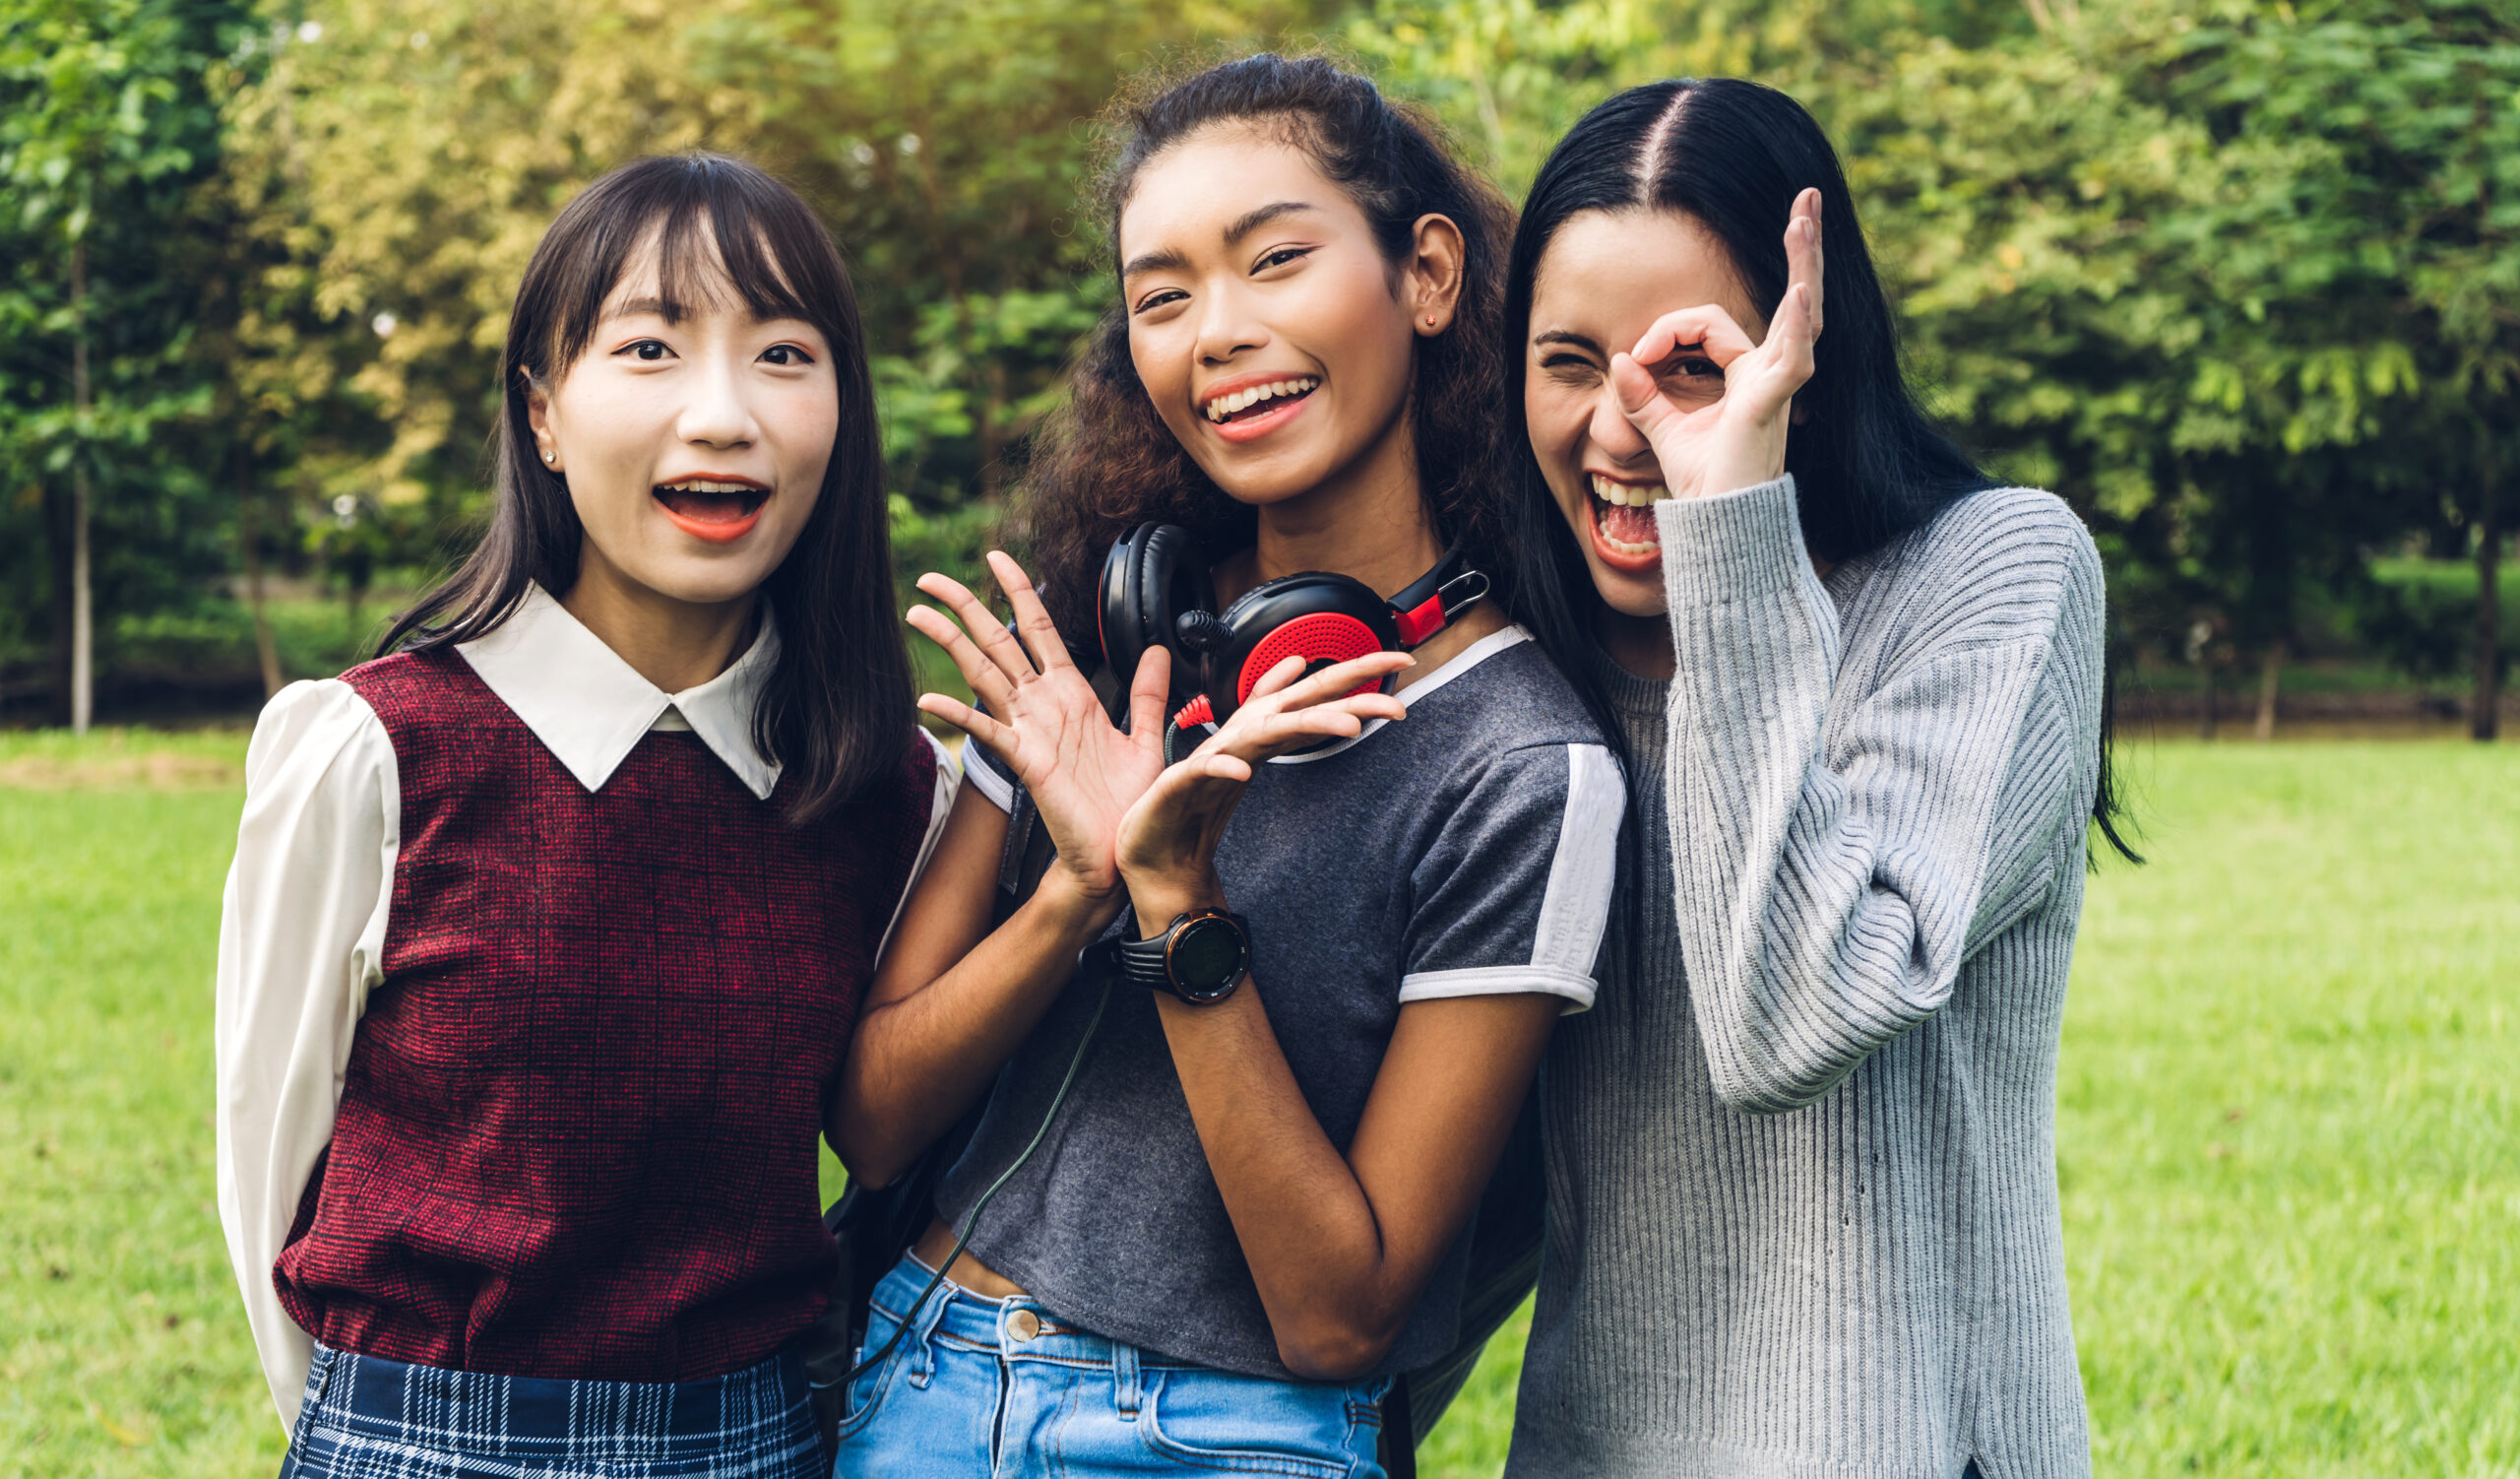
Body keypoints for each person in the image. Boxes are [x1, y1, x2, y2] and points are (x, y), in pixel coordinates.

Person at [824, 54, 1624, 1478]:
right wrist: (1078, 885)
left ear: (1426, 273)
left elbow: (1343, 1314)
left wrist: (1181, 910)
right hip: (913, 1380)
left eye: (1277, 259)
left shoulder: (1526, 765)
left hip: (1222, 1439)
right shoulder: (1090, 650)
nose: (1219, 333)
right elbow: (877, 1122)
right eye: (1162, 294)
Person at [213, 154, 955, 1479]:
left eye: (784, 353)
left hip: (769, 1441)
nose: (724, 415)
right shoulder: (376, 746)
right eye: (653, 347)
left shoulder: (886, 786)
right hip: (421, 1441)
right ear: (544, 413)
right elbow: (265, 1149)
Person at [1497, 79, 2136, 1479]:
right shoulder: (1520, 656)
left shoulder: (1999, 573)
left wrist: (1731, 522)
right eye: (1566, 360)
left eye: (1687, 363)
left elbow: (1791, 1012)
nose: (1621, 426)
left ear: (1804, 350)